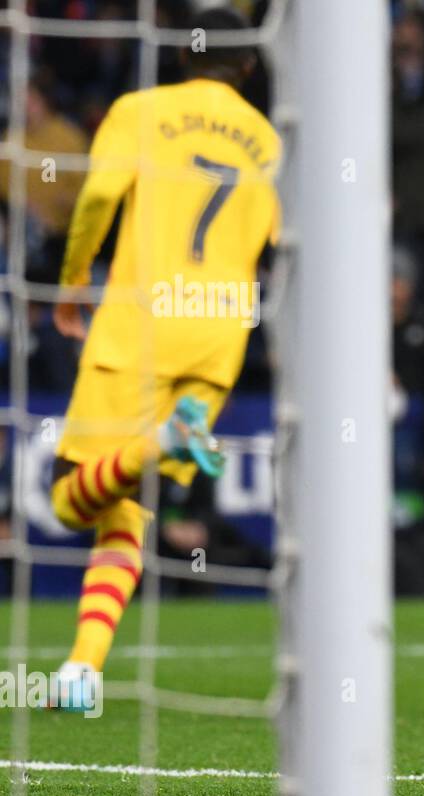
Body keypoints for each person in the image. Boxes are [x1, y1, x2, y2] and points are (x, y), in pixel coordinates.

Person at [46, 7, 280, 709]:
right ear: (248, 69)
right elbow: (276, 242)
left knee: (67, 498)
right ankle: (82, 670)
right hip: (217, 339)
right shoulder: (268, 139)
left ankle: (159, 440)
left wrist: (70, 282)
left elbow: (96, 197)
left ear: (183, 56)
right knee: (129, 512)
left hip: (142, 322)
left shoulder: (139, 109)